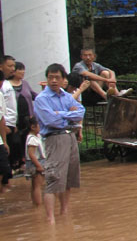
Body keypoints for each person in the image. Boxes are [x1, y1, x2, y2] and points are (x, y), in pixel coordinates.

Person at [33, 64, 85, 223]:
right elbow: (50, 120)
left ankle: (65, 212)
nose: (53, 81)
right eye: (50, 77)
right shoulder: (42, 99)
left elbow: (80, 112)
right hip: (54, 138)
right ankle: (50, 218)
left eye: (57, 77)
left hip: (70, 137)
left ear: (64, 79)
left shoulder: (66, 96)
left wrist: (61, 114)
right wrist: (68, 115)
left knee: (68, 178)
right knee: (54, 178)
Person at [1, 55, 22, 171]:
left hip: (11, 124)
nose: (13, 69)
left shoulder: (7, 83)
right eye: (9, 66)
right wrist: (4, 126)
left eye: (14, 66)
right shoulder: (2, 84)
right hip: (4, 125)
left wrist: (14, 124)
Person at [24, 117, 44, 207]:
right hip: (36, 163)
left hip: (34, 163)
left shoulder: (35, 136)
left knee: (35, 185)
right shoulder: (32, 138)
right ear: (33, 127)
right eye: (39, 125)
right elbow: (31, 154)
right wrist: (38, 165)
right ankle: (38, 205)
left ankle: (35, 204)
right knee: (37, 186)